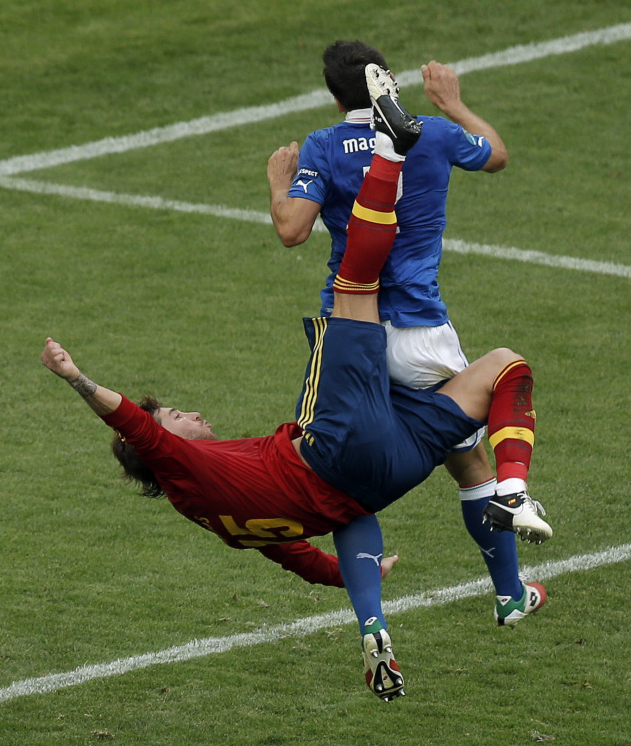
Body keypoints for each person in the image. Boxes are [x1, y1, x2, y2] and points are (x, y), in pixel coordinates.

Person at [41, 68, 550, 702]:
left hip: (375, 480)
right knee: (354, 286)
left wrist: (354, 581)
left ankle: (382, 624)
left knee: (476, 403)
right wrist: (76, 378)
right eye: (173, 415)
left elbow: (294, 557)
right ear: (160, 446)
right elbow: (131, 421)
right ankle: (515, 498)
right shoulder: (176, 464)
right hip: (347, 424)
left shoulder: (220, 520)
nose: (186, 413)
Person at [267, 41, 546, 613]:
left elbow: (292, 230)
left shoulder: (323, 145)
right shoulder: (434, 132)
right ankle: (510, 592)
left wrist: (278, 182)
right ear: (385, 81)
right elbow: (496, 154)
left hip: (350, 331)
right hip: (421, 334)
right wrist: (454, 103)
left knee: (347, 484)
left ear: (333, 95)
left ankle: (371, 619)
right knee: (470, 464)